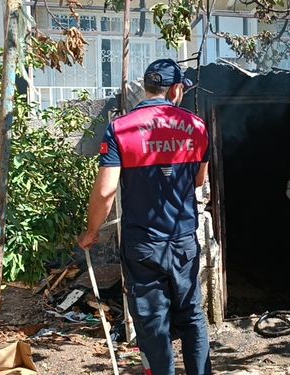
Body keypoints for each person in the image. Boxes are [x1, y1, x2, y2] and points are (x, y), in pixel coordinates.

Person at [78, 58, 212, 375]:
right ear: (176, 89)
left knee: (154, 324)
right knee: (192, 317)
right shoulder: (196, 126)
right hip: (182, 242)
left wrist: (92, 231)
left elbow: (106, 191)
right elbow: (199, 181)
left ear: (148, 87)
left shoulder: (121, 129)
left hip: (143, 246)